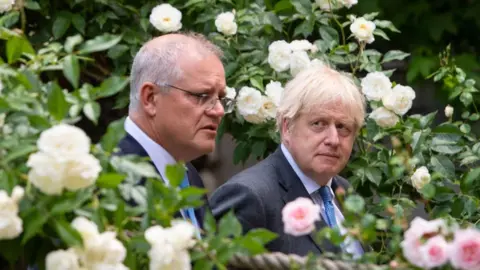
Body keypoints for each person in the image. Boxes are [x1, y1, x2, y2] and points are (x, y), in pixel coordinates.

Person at [209, 65, 366, 256]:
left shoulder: (344, 192)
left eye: (342, 127)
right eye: (318, 124)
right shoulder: (250, 197)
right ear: (287, 127)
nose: (333, 140)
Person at [116, 32, 234, 230]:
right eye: (202, 95)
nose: (219, 111)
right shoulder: (111, 173)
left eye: (221, 98)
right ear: (150, 98)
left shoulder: (189, 176)